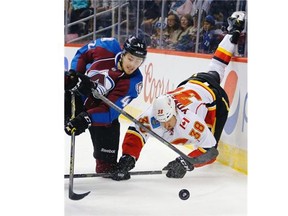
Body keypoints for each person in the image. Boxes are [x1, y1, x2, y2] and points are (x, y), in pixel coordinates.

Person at [109, 11, 246, 180]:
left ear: (175, 112)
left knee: (211, 145)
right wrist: (128, 157)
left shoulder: (190, 122)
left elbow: (210, 151)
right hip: (192, 84)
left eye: (169, 120)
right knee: (216, 69)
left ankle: (234, 32)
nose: (166, 125)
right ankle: (233, 33)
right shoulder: (152, 114)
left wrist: (185, 162)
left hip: (215, 100)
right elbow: (136, 131)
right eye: (162, 121)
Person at [64, 35, 147, 173]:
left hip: (100, 114)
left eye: (138, 61)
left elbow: (109, 111)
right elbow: (83, 54)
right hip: (77, 96)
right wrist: (76, 75)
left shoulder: (134, 82)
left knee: (107, 169)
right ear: (123, 53)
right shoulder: (107, 47)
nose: (132, 65)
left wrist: (86, 118)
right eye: (130, 58)